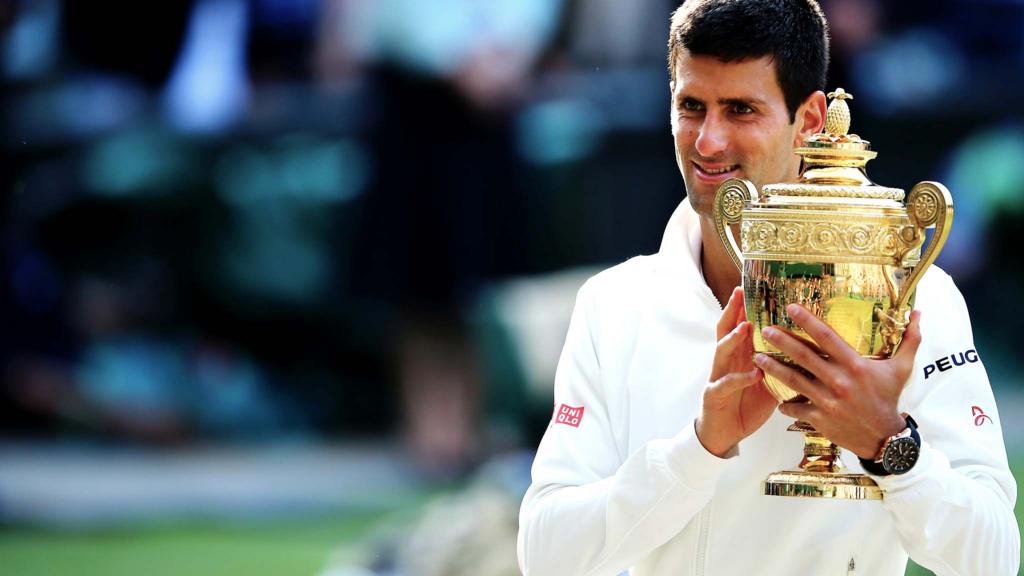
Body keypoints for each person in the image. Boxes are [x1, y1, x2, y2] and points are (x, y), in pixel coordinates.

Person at [517, 1, 1020, 575]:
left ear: (808, 119)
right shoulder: (614, 304)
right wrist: (699, 449)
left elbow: (995, 558)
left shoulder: (917, 297)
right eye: (691, 107)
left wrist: (889, 445)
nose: (708, 141)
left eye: (740, 110)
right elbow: (545, 556)